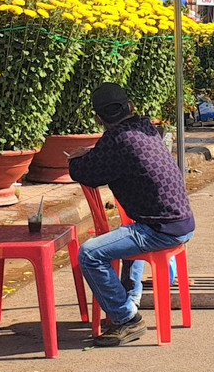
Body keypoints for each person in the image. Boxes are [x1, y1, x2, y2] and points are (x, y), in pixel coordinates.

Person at [69, 83, 195, 347]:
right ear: (132, 108)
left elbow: (85, 173)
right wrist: (93, 155)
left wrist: (76, 159)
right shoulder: (146, 129)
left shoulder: (115, 140)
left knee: (89, 254)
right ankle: (131, 296)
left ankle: (127, 319)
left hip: (159, 230)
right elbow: (115, 157)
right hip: (181, 223)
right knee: (131, 228)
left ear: (98, 119)